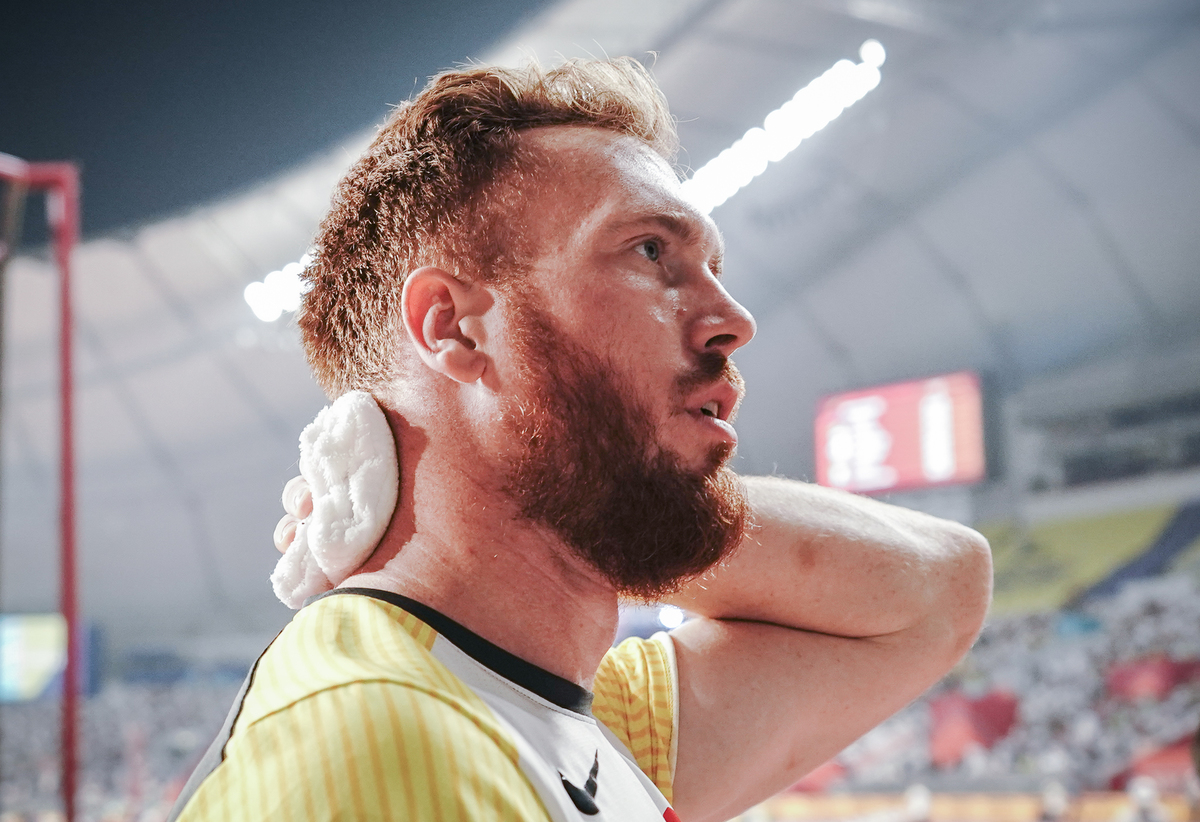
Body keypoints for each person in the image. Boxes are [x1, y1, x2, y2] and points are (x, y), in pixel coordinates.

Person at [170, 58, 992, 822]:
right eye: (649, 251)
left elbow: (941, 588)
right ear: (453, 329)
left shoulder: (568, 716)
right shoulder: (375, 748)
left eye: (713, 266)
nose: (733, 319)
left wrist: (602, 493)